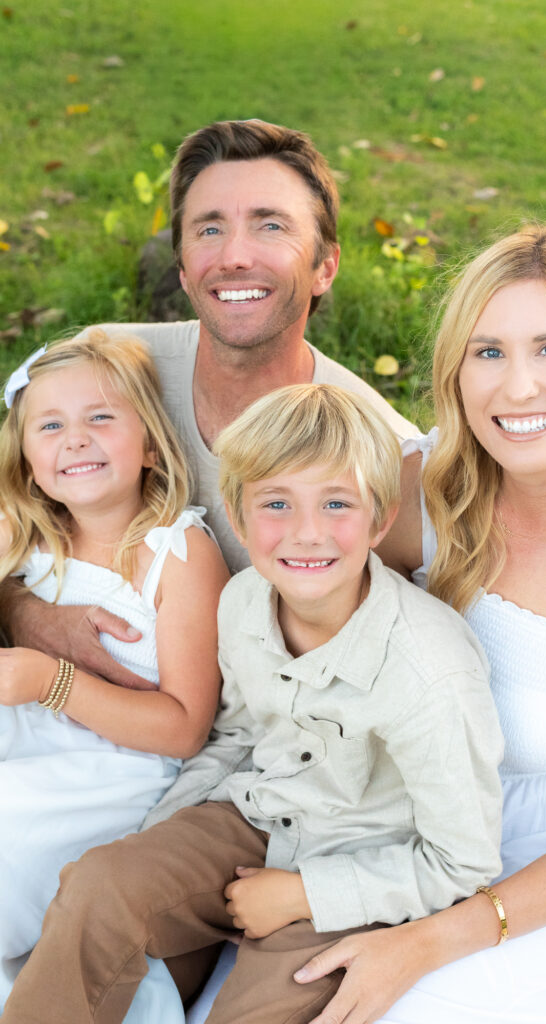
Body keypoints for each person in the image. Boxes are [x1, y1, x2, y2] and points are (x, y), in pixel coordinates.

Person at [2, 383, 504, 1024]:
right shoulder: (242, 602)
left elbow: (463, 861)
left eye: (336, 503)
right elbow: (236, 737)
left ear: (381, 520)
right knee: (101, 884)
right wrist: (161, 841)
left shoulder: (429, 670)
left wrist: (302, 894)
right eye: (276, 503)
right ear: (237, 519)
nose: (306, 533)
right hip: (256, 816)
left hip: (361, 859)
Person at [289, 224, 546, 1024]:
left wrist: (424, 942)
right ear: (457, 372)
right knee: (262, 983)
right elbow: (297, 593)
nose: (518, 389)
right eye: (489, 352)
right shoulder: (426, 494)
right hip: (421, 830)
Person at [0, 118, 417, 691]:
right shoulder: (105, 377)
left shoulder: (382, 451)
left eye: (270, 226)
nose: (235, 256)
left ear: (325, 267)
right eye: (209, 229)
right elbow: (13, 510)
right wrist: (28, 616)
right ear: (181, 268)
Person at [0, 331, 228, 1011]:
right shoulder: (26, 537)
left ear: (151, 446)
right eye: (51, 425)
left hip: (113, 773)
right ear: (30, 462)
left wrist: (52, 682)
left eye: (101, 417)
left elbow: (187, 728)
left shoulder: (176, 552)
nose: (76, 439)